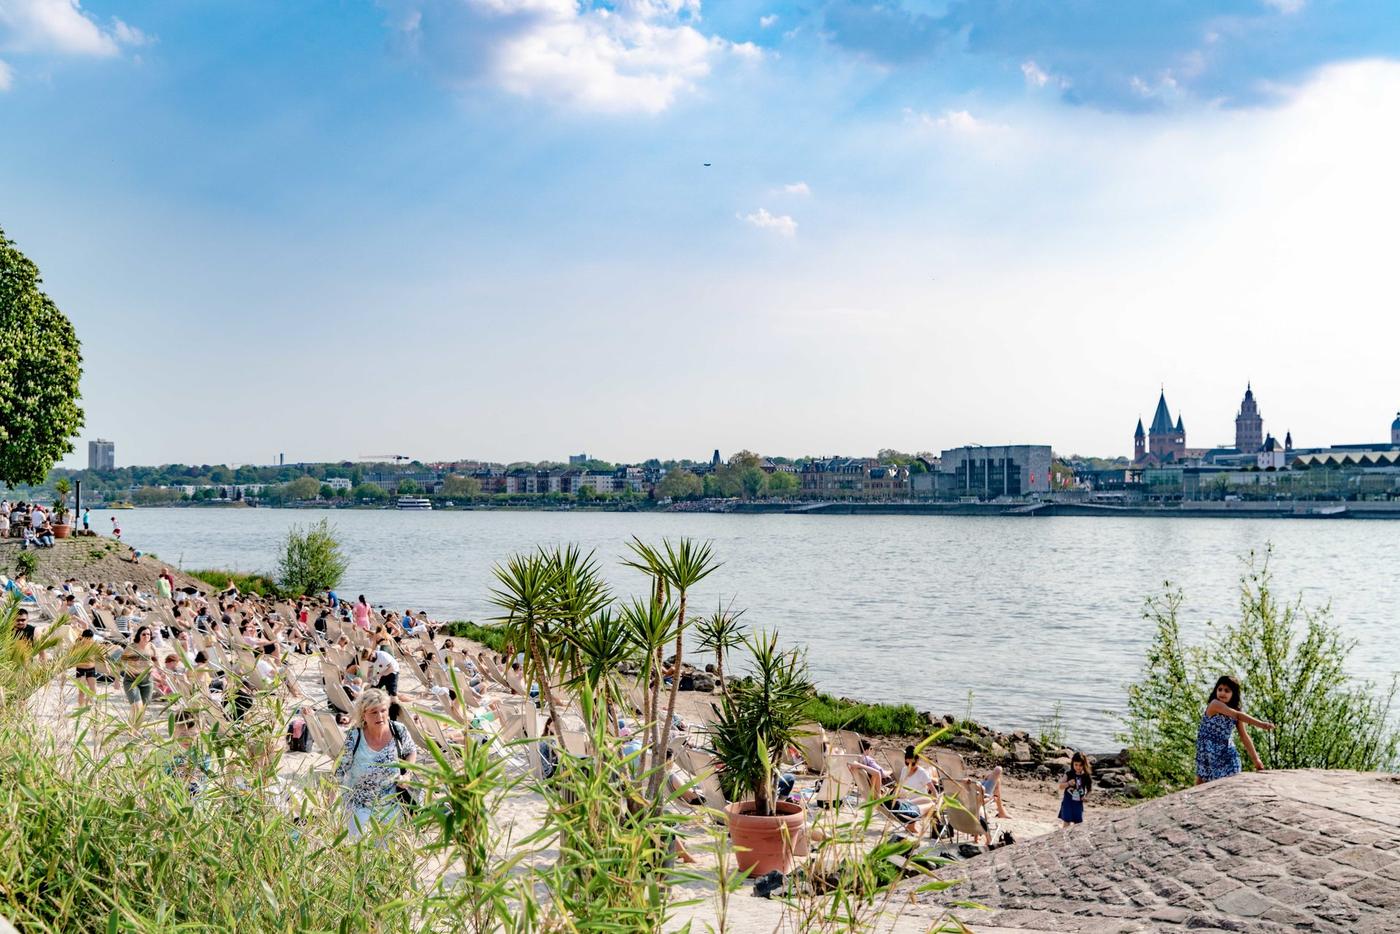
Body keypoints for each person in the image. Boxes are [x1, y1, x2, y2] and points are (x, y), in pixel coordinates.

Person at [333, 688, 417, 840]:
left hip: (390, 802)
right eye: (373, 712)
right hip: (358, 803)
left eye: (383, 710)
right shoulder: (355, 736)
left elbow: (411, 750)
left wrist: (408, 774)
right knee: (357, 848)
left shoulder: (398, 730)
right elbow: (339, 771)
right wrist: (329, 806)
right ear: (363, 714)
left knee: (387, 852)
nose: (380, 716)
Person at [1196, 674, 1274, 784]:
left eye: (1227, 690)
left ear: (1234, 693)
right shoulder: (1215, 704)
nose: (1222, 693)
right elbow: (1237, 715)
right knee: (1202, 779)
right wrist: (1261, 724)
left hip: (1227, 750)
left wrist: (1256, 760)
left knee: (1232, 777)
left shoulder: (1236, 710)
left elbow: (1244, 736)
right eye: (1220, 689)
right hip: (1208, 749)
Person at [121, 626, 157, 707]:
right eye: (144, 634)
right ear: (139, 635)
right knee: (137, 706)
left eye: (148, 634)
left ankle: (135, 720)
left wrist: (162, 674)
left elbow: (156, 661)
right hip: (131, 680)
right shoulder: (132, 647)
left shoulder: (152, 647)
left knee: (142, 709)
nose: (146, 636)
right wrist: (117, 679)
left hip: (147, 680)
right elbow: (122, 661)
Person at [1057, 752, 1092, 827]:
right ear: (1072, 763)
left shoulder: (1086, 776)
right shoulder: (1069, 774)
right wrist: (1068, 783)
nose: (1078, 767)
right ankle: (1063, 838)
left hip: (1078, 803)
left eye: (1080, 765)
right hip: (1067, 802)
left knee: (1078, 823)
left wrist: (1086, 797)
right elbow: (1060, 786)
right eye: (1076, 764)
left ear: (1084, 765)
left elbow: (1089, 790)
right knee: (1066, 822)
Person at [74, 628, 98, 706]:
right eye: (87, 638)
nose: (89, 640)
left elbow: (100, 655)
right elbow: (71, 656)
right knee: (81, 692)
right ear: (83, 637)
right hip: (80, 670)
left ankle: (87, 704)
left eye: (90, 638)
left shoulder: (94, 644)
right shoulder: (78, 645)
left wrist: (106, 665)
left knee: (93, 690)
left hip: (91, 669)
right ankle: (81, 708)